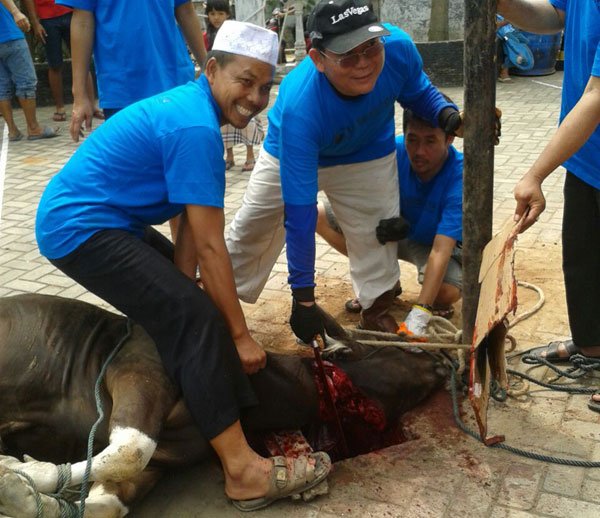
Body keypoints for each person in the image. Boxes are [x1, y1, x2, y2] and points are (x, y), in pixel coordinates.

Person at [35, 20, 331, 510]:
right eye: (245, 81)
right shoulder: (195, 128)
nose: (256, 97)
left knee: (187, 304)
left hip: (107, 217)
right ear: (212, 69)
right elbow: (214, 249)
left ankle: (211, 398)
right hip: (79, 227)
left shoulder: (195, 109)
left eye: (265, 86)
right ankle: (242, 471)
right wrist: (237, 333)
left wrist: (183, 283)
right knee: (194, 317)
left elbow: (188, 224)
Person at [226, 0, 471, 341]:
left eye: (371, 47)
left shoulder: (398, 49)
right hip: (294, 150)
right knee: (255, 223)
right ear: (318, 60)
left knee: (376, 227)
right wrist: (304, 298)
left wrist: (450, 118)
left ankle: (376, 307)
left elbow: (419, 92)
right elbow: (299, 215)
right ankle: (216, 297)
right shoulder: (301, 107)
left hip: (366, 149)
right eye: (348, 56)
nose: (364, 64)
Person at [498, 0, 600, 414]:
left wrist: (535, 173)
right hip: (588, 156)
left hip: (589, 128)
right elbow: (554, 18)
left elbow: (597, 96)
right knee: (582, 260)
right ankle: (592, 347)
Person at [317, 101, 463, 337]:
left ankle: (430, 299)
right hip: (394, 230)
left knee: (445, 293)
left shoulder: (460, 176)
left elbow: (441, 250)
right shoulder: (392, 151)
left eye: (430, 141)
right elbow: (358, 194)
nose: (419, 152)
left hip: (433, 242)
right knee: (319, 215)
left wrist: (420, 313)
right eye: (412, 139)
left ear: (449, 139)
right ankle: (383, 288)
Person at [59, 0, 207, 141]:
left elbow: (186, 10)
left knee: (182, 160)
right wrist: (79, 95)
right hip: (122, 86)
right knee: (130, 163)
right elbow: (82, 21)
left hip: (174, 81)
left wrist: (208, 71)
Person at [203, 0, 264, 172]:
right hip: (219, 85)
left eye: (220, 13)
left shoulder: (238, 34)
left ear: (228, 14)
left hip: (240, 82)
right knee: (222, 119)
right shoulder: (206, 37)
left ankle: (250, 155)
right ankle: (228, 156)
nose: (216, 18)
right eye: (212, 13)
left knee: (246, 115)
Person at [22, 0, 102, 122]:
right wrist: (35, 23)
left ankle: (92, 104)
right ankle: (60, 107)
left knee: (83, 60)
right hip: (47, 18)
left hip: (72, 12)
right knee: (54, 65)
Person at [0, 0, 59, 141]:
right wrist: (16, 12)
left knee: (2, 86)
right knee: (26, 82)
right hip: (9, 36)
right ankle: (33, 128)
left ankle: (13, 131)